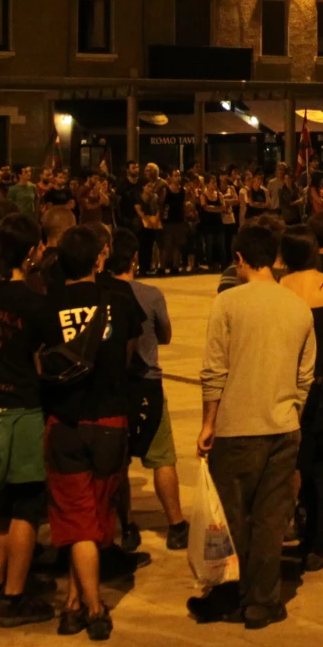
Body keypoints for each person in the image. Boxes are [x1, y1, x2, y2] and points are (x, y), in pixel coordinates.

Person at [194, 219, 316, 629]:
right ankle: (262, 601)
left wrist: (208, 423)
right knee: (271, 517)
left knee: (232, 516)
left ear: (240, 258)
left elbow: (214, 369)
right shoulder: (298, 306)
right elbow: (305, 374)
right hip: (283, 427)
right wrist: (293, 411)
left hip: (236, 426)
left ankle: (231, 592)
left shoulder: (228, 303)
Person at [41, 224, 145, 640]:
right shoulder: (119, 302)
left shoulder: (46, 306)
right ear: (100, 258)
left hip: (65, 420)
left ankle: (82, 605)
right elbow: (127, 358)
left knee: (76, 515)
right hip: (109, 420)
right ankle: (85, 604)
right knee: (95, 515)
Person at [0, 216, 60, 626]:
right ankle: (15, 597)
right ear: (32, 251)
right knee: (25, 507)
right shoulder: (33, 301)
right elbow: (49, 355)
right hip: (22, 409)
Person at [108, 231, 188, 550]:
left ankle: (126, 524)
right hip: (148, 383)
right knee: (162, 457)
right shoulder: (151, 294)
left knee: (120, 460)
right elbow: (165, 335)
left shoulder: (102, 292)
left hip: (116, 385)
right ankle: (176, 524)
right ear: (135, 259)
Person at [276, 230, 323, 571]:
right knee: (322, 465)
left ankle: (293, 524)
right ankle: (318, 541)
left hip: (289, 386)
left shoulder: (280, 289)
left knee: (292, 462)